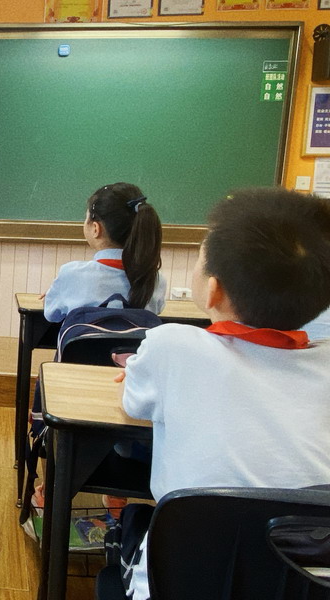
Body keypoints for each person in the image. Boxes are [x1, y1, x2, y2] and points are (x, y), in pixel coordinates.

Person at [116, 188, 330, 599]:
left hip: (181, 583)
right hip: (303, 586)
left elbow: (134, 402)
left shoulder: (171, 344)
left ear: (213, 289)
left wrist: (137, 374)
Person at [43, 183, 167, 323]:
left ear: (96, 229)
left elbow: (51, 314)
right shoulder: (156, 280)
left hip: (86, 339)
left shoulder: (71, 274)